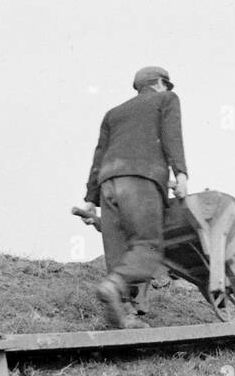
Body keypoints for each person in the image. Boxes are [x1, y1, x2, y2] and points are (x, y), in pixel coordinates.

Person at [81, 65, 189, 328]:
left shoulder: (113, 113)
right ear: (161, 83)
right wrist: (182, 175)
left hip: (108, 183)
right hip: (141, 180)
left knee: (118, 253)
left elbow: (99, 155)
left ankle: (126, 315)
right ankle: (114, 285)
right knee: (149, 247)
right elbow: (172, 137)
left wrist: (89, 200)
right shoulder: (167, 99)